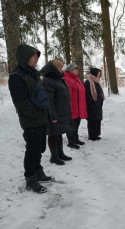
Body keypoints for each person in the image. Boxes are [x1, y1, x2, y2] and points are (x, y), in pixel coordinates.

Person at [8, 44, 51, 193]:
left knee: (39, 148)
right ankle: (30, 178)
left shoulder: (33, 73)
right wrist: (35, 115)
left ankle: (38, 171)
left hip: (40, 118)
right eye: (33, 56)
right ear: (25, 57)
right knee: (32, 150)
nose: (36, 58)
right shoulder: (17, 76)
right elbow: (21, 102)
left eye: (37, 56)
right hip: (31, 120)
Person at [41, 59, 73, 165]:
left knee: (59, 133)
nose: (62, 69)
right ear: (54, 68)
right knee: (53, 134)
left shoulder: (58, 79)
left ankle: (60, 154)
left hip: (61, 111)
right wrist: (52, 115)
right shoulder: (47, 80)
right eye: (60, 67)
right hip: (54, 113)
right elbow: (49, 100)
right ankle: (54, 157)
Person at [63, 63, 87, 149]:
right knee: (71, 126)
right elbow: (66, 95)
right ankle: (71, 142)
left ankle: (76, 139)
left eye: (77, 69)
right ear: (70, 70)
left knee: (76, 125)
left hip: (78, 107)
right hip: (72, 107)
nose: (77, 70)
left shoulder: (76, 79)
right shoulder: (67, 79)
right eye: (75, 69)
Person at [84, 67, 105, 140]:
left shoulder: (97, 82)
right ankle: (92, 135)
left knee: (97, 119)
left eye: (100, 74)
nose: (99, 75)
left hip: (98, 105)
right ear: (94, 74)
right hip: (91, 105)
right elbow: (87, 95)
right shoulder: (88, 82)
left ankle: (96, 134)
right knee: (92, 120)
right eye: (98, 74)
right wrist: (91, 104)